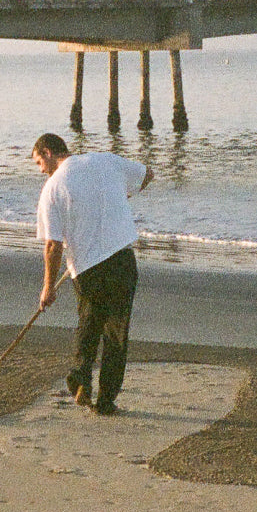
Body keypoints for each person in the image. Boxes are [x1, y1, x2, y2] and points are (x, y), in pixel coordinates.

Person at [32, 132, 153, 415]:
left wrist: (48, 287)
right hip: (122, 261)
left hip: (88, 269)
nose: (40, 170)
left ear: (49, 152)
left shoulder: (53, 188)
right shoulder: (104, 161)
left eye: (39, 162)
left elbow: (53, 245)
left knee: (89, 325)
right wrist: (125, 192)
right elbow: (147, 174)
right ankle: (106, 400)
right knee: (116, 333)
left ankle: (81, 379)